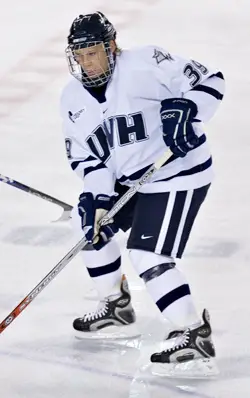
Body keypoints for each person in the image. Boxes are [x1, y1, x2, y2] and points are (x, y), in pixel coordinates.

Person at [60, 11, 225, 371]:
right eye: (80, 55)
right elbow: (89, 160)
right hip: (130, 179)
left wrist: (188, 109)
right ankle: (116, 306)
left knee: (147, 256)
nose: (87, 62)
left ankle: (194, 333)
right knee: (85, 221)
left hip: (176, 172)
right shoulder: (72, 99)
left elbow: (211, 81)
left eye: (94, 52)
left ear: (112, 47)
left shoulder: (146, 63)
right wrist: (98, 196)